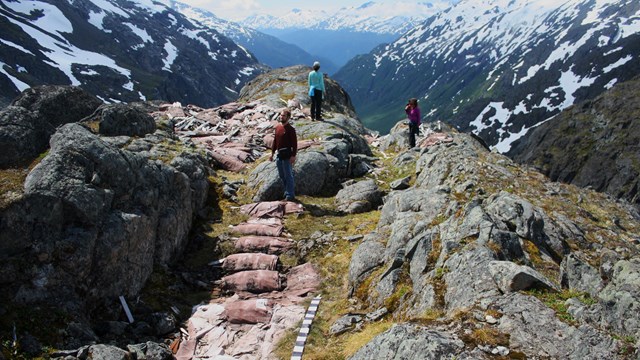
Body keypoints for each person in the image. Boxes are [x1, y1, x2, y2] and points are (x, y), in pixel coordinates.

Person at [269, 108, 298, 201]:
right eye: (281, 115)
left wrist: (293, 155)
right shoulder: (277, 127)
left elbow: (294, 143)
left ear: (288, 117)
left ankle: (290, 195)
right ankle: (287, 192)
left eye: (283, 115)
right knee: (282, 175)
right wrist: (272, 153)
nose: (281, 117)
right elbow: (275, 141)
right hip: (279, 155)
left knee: (288, 175)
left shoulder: (291, 129)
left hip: (287, 155)